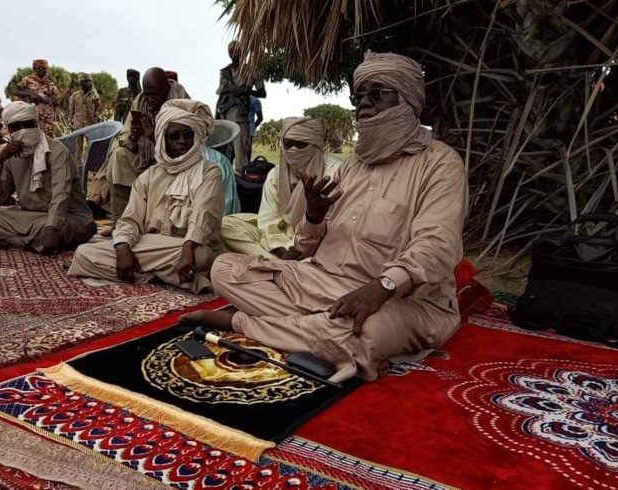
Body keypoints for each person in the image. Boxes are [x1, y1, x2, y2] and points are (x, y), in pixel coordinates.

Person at [182, 53, 467, 384]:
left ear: (408, 99)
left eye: (377, 94)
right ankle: (314, 327)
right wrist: (314, 216)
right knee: (225, 269)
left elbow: (438, 244)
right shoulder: (352, 165)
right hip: (321, 282)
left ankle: (242, 322)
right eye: (359, 96)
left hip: (398, 297)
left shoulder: (440, 164)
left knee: (368, 332)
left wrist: (382, 287)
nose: (364, 104)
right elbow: (307, 246)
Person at [69, 99, 224, 293]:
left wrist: (187, 250)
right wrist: (123, 248)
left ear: (196, 136)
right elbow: (131, 219)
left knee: (203, 258)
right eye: (174, 137)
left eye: (187, 135)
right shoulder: (150, 176)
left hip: (189, 248)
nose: (182, 141)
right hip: (152, 245)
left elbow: (204, 216)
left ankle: (146, 272)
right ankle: (168, 276)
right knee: (84, 254)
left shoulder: (210, 172)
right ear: (162, 139)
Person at [0, 102, 96, 255]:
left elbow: (61, 195)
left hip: (67, 217)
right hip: (29, 217)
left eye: (28, 125)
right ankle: (24, 242)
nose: (23, 131)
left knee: (47, 230)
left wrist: (51, 227)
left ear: (37, 124)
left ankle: (4, 238)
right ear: (9, 130)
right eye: (17, 127)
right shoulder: (11, 155)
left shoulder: (58, 151)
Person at [221, 117, 339, 258]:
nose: (293, 150)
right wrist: (281, 249)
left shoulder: (335, 172)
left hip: (317, 239)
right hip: (282, 235)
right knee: (226, 225)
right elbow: (269, 220)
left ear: (316, 145)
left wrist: (298, 247)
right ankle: (280, 263)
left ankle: (273, 263)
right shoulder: (275, 174)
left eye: (301, 145)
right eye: (288, 144)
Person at [87, 67, 190, 220]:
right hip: (144, 159)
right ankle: (122, 220)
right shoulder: (140, 101)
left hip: (171, 164)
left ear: (166, 89)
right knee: (118, 156)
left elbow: (185, 146)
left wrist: (155, 136)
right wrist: (134, 137)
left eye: (155, 95)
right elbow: (125, 137)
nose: (150, 100)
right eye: (147, 95)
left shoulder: (180, 102)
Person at [215, 41, 266, 174]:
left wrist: (247, 91)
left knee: (241, 157)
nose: (234, 55)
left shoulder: (252, 71)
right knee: (224, 156)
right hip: (226, 117)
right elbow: (220, 95)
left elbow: (262, 93)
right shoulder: (225, 72)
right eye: (231, 52)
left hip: (241, 119)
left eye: (236, 52)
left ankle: (241, 185)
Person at [13, 59, 61, 138]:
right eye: (39, 68)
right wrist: (29, 94)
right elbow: (16, 91)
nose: (41, 70)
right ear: (35, 69)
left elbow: (57, 99)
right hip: (31, 115)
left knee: (48, 139)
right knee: (32, 138)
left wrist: (51, 102)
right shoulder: (27, 80)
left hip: (47, 118)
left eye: (43, 68)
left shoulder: (50, 84)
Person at [68, 72, 101, 158]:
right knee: (77, 148)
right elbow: (71, 110)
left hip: (90, 125)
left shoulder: (94, 96)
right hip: (77, 125)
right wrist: (70, 122)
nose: (86, 84)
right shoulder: (75, 95)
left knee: (92, 146)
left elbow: (97, 110)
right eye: (83, 82)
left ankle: (90, 165)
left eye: (88, 82)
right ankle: (77, 165)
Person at [248, 95, 263, 161]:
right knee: (247, 150)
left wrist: (253, 126)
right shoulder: (255, 100)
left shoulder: (254, 101)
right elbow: (260, 118)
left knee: (247, 150)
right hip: (249, 128)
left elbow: (260, 118)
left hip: (248, 129)